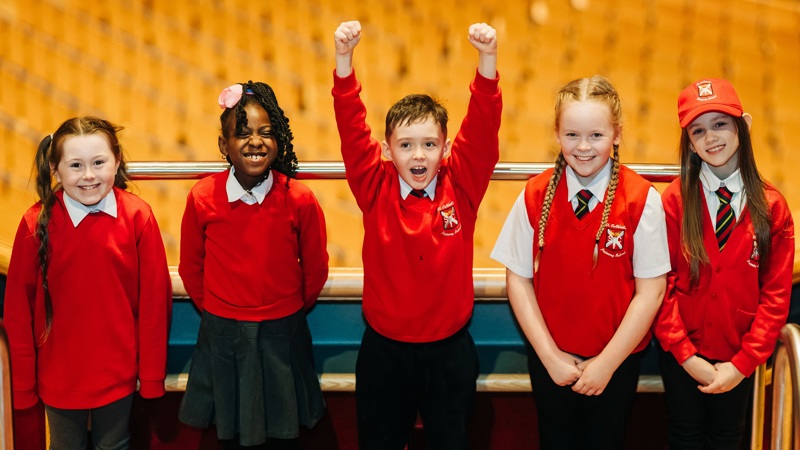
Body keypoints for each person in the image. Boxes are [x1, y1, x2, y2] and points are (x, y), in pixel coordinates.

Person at [332, 20, 501, 450]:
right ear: (387, 151)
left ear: (446, 150)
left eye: (429, 144)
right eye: (406, 145)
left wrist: (487, 61)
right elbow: (352, 131)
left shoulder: (461, 186)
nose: (418, 154)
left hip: (449, 354)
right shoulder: (374, 186)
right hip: (384, 354)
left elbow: (481, 130)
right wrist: (344, 63)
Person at [491, 76, 670, 450]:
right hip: (550, 361)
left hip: (616, 363)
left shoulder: (641, 199)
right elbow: (518, 280)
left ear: (617, 134)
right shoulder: (534, 194)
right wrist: (550, 356)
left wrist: (606, 363)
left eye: (596, 135)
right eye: (572, 135)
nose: (583, 147)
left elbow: (650, 293)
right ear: (557, 135)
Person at [4, 116, 172, 449]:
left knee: (115, 445)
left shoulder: (139, 217)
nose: (89, 175)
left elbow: (155, 302)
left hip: (117, 373)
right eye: (76, 165)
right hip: (59, 377)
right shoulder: (34, 223)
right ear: (55, 169)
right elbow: (18, 311)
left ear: (117, 161)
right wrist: (22, 386)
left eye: (99, 162)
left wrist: (151, 378)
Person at [178, 81, 329, 450]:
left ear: (278, 139)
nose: (255, 142)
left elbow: (315, 268)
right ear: (223, 145)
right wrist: (221, 308)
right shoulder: (201, 197)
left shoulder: (300, 199)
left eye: (266, 132)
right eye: (242, 133)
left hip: (283, 332)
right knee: (228, 432)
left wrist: (283, 308)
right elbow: (190, 267)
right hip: (222, 331)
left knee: (285, 431)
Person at [653, 78, 794, 449]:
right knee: (683, 436)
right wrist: (685, 354)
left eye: (720, 124)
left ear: (743, 126)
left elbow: (776, 295)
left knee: (727, 439)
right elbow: (660, 284)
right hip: (682, 356)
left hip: (739, 359)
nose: (711, 137)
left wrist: (743, 362)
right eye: (698, 130)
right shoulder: (674, 201)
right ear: (690, 142)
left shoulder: (773, 207)